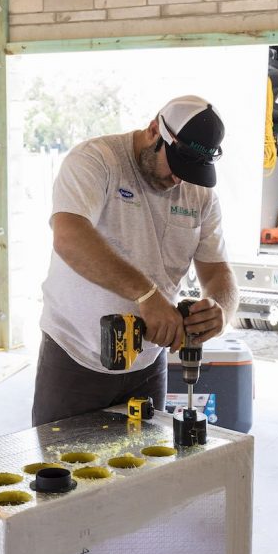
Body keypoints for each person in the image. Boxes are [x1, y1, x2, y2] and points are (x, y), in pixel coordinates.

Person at [32, 95, 240, 427]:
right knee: (64, 469)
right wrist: (146, 295)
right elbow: (69, 236)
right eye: (176, 163)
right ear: (155, 130)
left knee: (142, 471)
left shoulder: (198, 194)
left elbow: (217, 270)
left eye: (191, 171)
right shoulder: (96, 161)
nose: (179, 180)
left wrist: (220, 310)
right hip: (76, 354)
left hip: (147, 363)